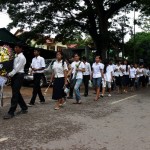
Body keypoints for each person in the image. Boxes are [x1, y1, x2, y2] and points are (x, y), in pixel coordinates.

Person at [3, 44, 28, 119]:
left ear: (21, 48)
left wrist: (9, 74)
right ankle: (24, 108)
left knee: (15, 94)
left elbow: (17, 68)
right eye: (15, 47)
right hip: (14, 76)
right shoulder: (15, 56)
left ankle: (11, 112)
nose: (15, 48)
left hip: (19, 76)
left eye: (17, 47)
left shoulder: (22, 57)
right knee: (16, 92)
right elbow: (11, 66)